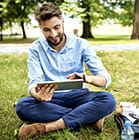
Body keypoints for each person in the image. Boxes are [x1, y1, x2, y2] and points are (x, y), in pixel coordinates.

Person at [16, 2, 116, 140]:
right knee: (23, 106)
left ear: (62, 22)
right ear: (40, 28)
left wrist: (87, 78)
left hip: (79, 97)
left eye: (57, 27)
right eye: (47, 30)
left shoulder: (81, 44)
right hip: (51, 99)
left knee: (108, 99)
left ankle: (46, 127)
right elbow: (34, 82)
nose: (54, 34)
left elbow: (105, 79)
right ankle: (90, 118)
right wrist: (37, 94)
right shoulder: (36, 48)